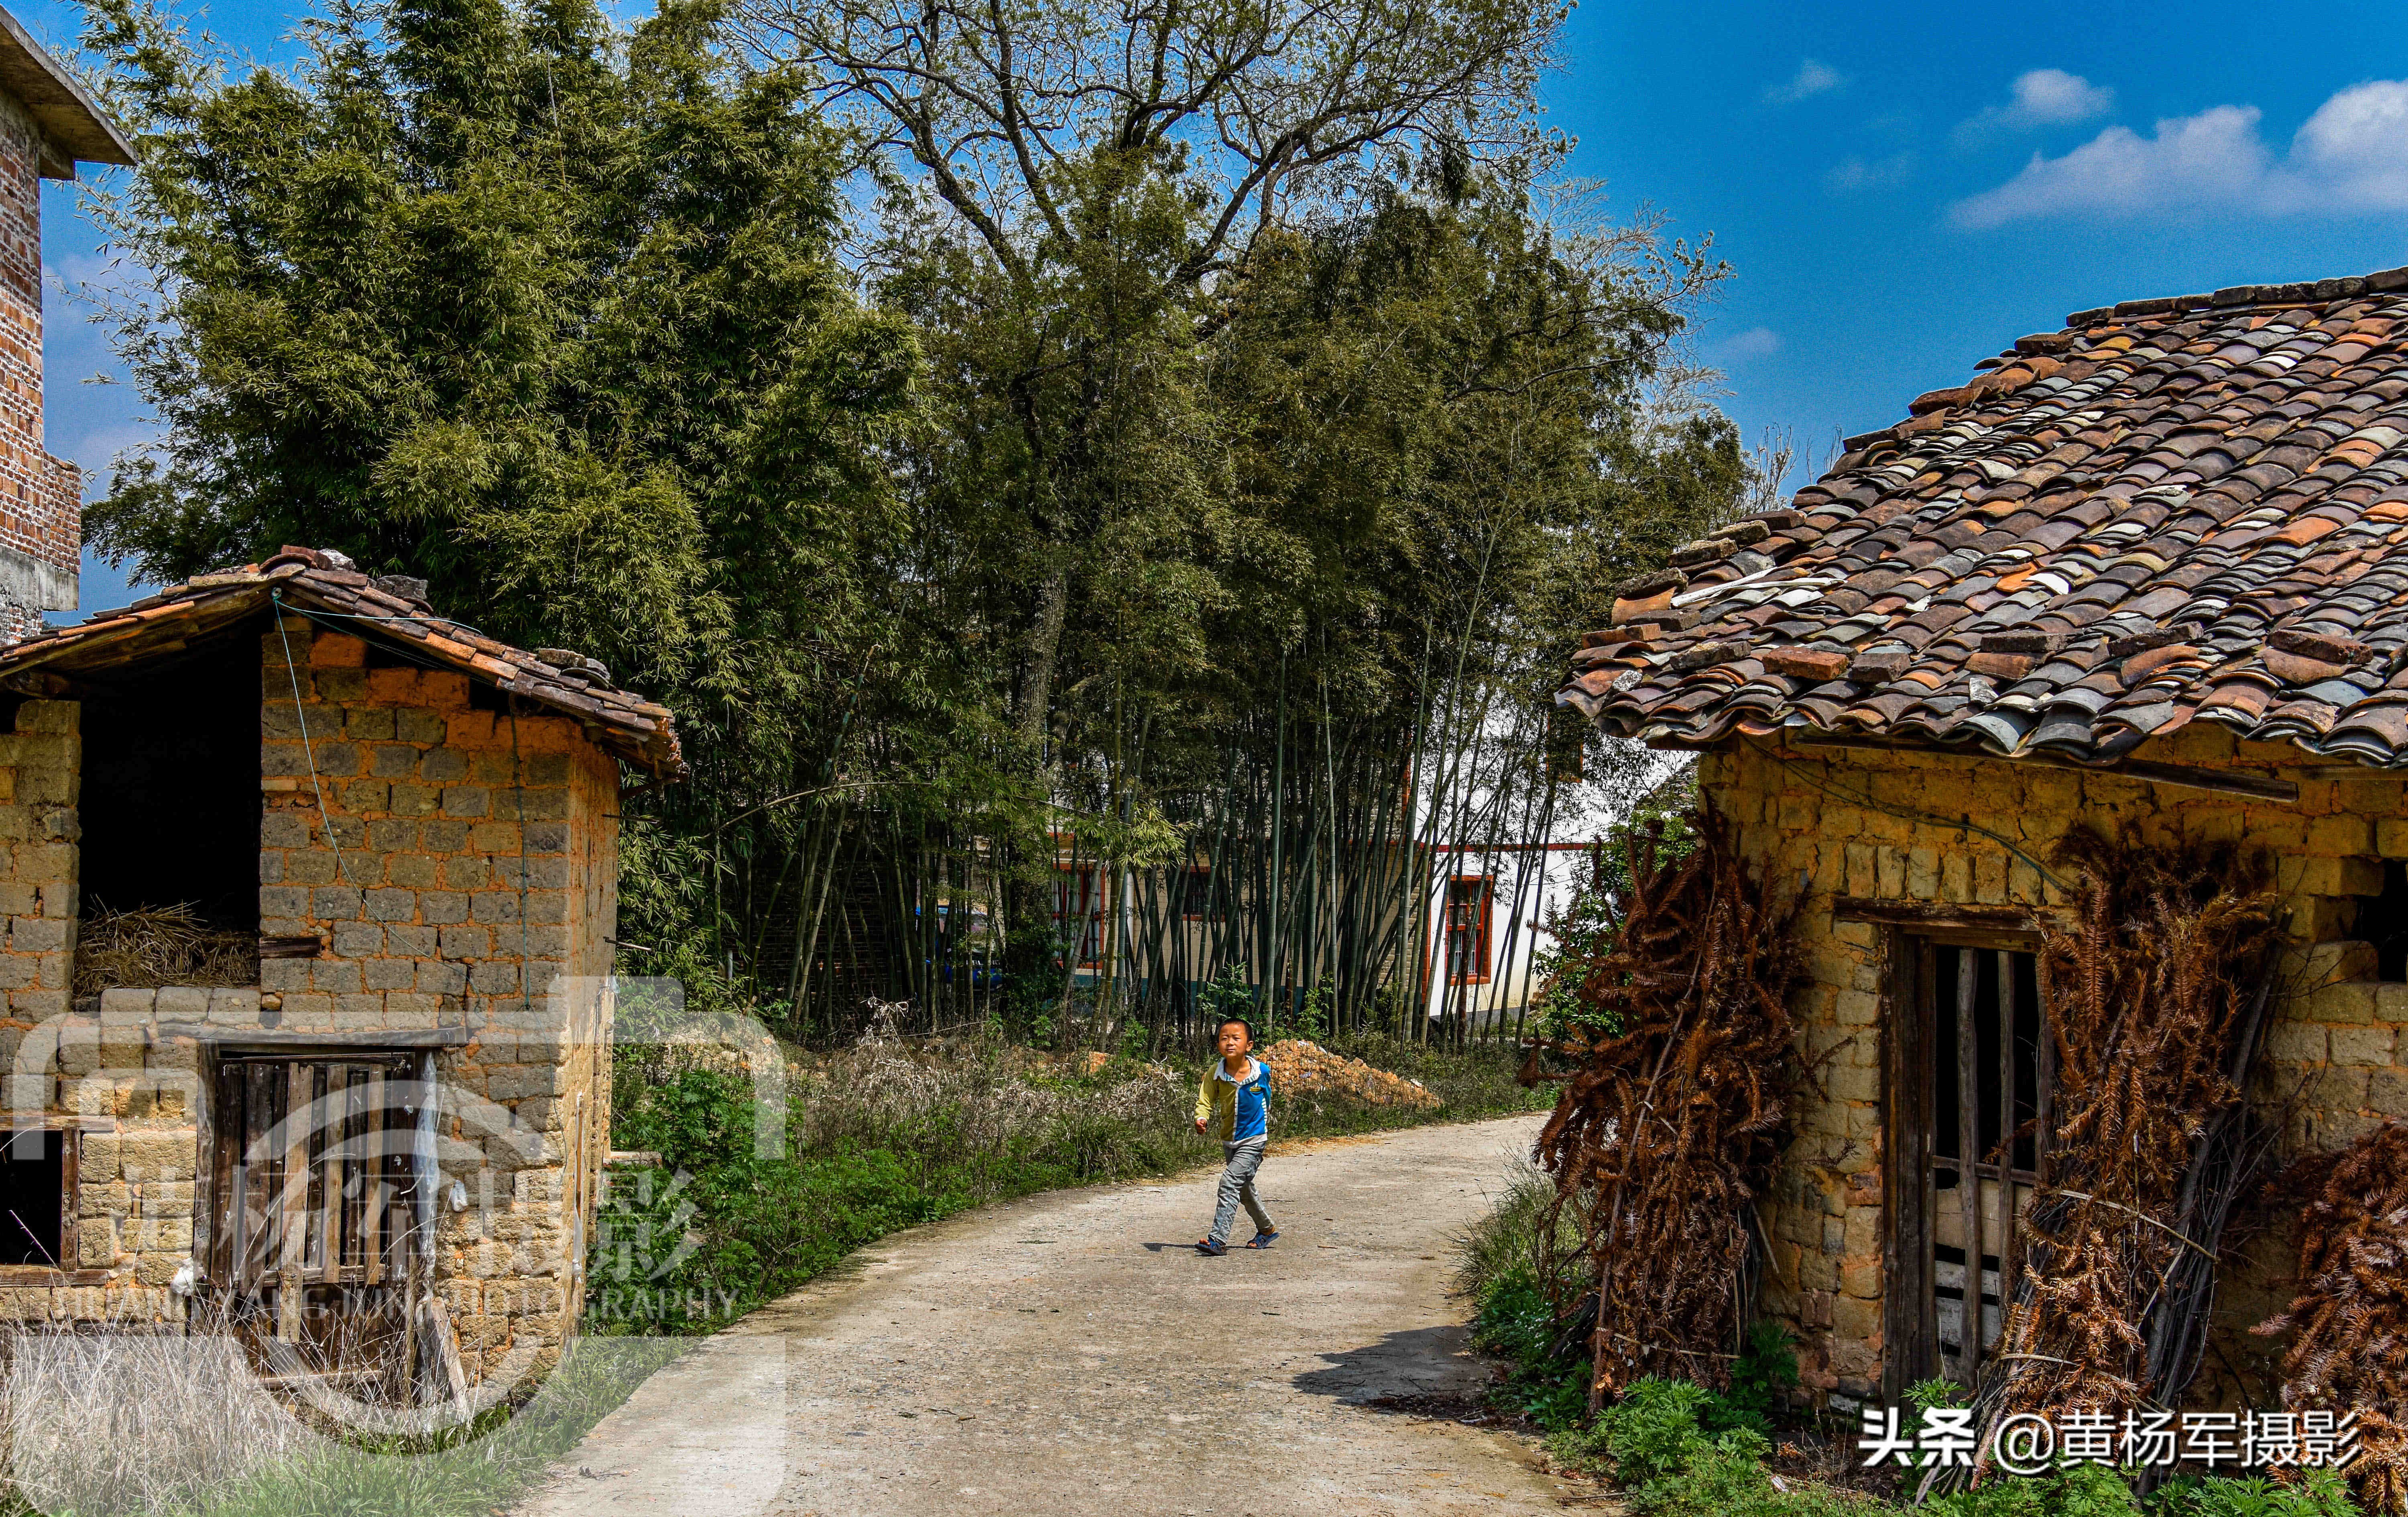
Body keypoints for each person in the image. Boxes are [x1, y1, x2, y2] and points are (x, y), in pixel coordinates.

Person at [1193, 1015, 1277, 1256]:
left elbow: (1267, 1098)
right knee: (1243, 1189)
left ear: (1249, 1045)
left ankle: (1218, 1240)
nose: (1229, 1043)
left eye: (1236, 1038)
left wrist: (1263, 1121)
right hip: (1229, 1140)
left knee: (1229, 1182)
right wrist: (1202, 1118)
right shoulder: (1216, 1073)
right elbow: (1206, 1099)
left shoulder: (1261, 1071)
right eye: (1224, 1038)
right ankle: (1267, 1230)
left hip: (1254, 1140)